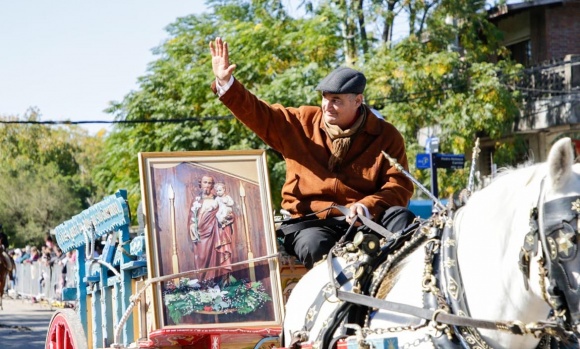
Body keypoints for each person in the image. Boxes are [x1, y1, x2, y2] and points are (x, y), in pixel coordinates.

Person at [209, 38, 415, 269]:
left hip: (366, 220)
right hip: (312, 224)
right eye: (325, 99)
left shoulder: (386, 135)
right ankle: (342, 303)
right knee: (315, 245)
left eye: (336, 100)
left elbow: (399, 186)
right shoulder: (301, 122)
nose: (327, 106)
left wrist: (367, 206)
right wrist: (226, 83)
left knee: (403, 220)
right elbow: (259, 114)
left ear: (358, 101)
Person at [188, 175, 233, 283]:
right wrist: (191, 225)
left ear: (212, 185)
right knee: (202, 256)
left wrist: (228, 217)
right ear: (201, 184)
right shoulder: (196, 200)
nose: (207, 185)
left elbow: (228, 212)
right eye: (205, 182)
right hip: (201, 233)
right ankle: (203, 283)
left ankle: (216, 283)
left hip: (216, 232)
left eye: (209, 183)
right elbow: (191, 217)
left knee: (216, 258)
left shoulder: (217, 199)